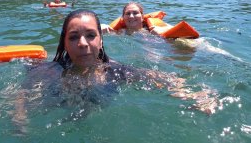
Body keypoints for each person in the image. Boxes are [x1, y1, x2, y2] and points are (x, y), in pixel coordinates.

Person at [12, 9, 219, 134]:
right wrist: (19, 116)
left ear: (101, 41)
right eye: (74, 37)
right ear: (64, 43)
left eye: (91, 35)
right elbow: (21, 92)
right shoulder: (48, 71)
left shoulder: (117, 72)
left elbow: (162, 78)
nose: (83, 43)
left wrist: (195, 95)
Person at [101, 2, 171, 35]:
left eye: (135, 13)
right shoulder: (118, 32)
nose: (131, 16)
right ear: (123, 18)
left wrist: (164, 30)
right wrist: (99, 28)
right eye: (128, 13)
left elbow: (178, 34)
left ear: (142, 17)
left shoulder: (153, 30)